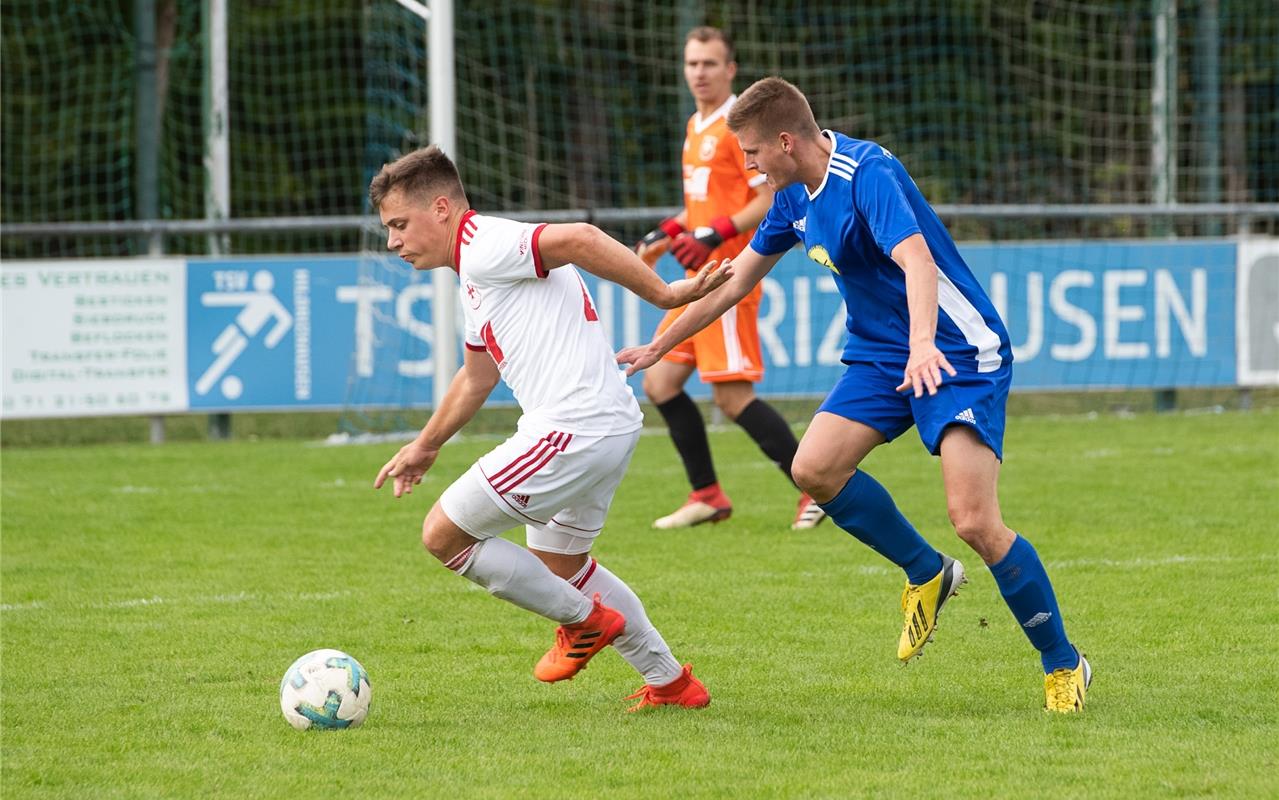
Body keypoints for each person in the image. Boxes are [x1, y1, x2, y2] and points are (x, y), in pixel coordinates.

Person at [618, 77, 1092, 713]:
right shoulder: (790, 198)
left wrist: (924, 343)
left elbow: (919, 263)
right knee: (813, 467)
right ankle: (927, 573)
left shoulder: (865, 173)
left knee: (975, 521)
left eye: (753, 153)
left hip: (956, 352)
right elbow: (732, 286)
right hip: (880, 354)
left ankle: (1064, 664)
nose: (749, 166)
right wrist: (660, 344)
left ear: (786, 141)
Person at [371, 145, 726, 711]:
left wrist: (667, 294)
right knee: (566, 568)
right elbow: (476, 377)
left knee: (443, 535)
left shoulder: (483, 245)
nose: (393, 242)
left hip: (571, 429)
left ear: (440, 208)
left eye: (398, 224)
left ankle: (583, 624)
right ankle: (672, 683)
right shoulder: (475, 274)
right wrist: (425, 446)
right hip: (606, 426)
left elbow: (580, 238)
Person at [634, 27, 826, 532]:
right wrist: (667, 232)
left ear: (731, 70)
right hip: (695, 275)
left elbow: (767, 200)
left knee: (732, 396)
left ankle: (816, 489)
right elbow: (704, 205)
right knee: (661, 380)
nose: (699, 72)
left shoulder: (744, 127)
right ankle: (708, 495)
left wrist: (714, 232)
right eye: (692, 63)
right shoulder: (696, 126)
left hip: (727, 275)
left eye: (710, 64)